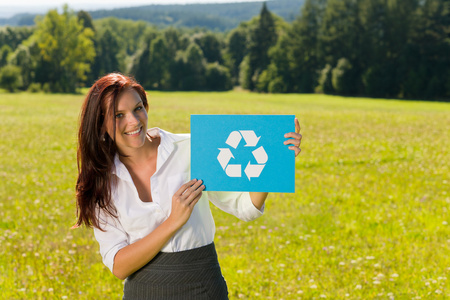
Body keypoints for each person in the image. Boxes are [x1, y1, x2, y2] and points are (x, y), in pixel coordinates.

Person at [75, 73, 302, 299]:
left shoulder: (192, 148)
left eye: (138, 108)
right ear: (101, 124)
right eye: (118, 115)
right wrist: (174, 221)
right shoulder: (100, 183)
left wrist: (274, 161)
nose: (134, 121)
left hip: (203, 289)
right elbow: (119, 266)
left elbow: (246, 208)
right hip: (143, 293)